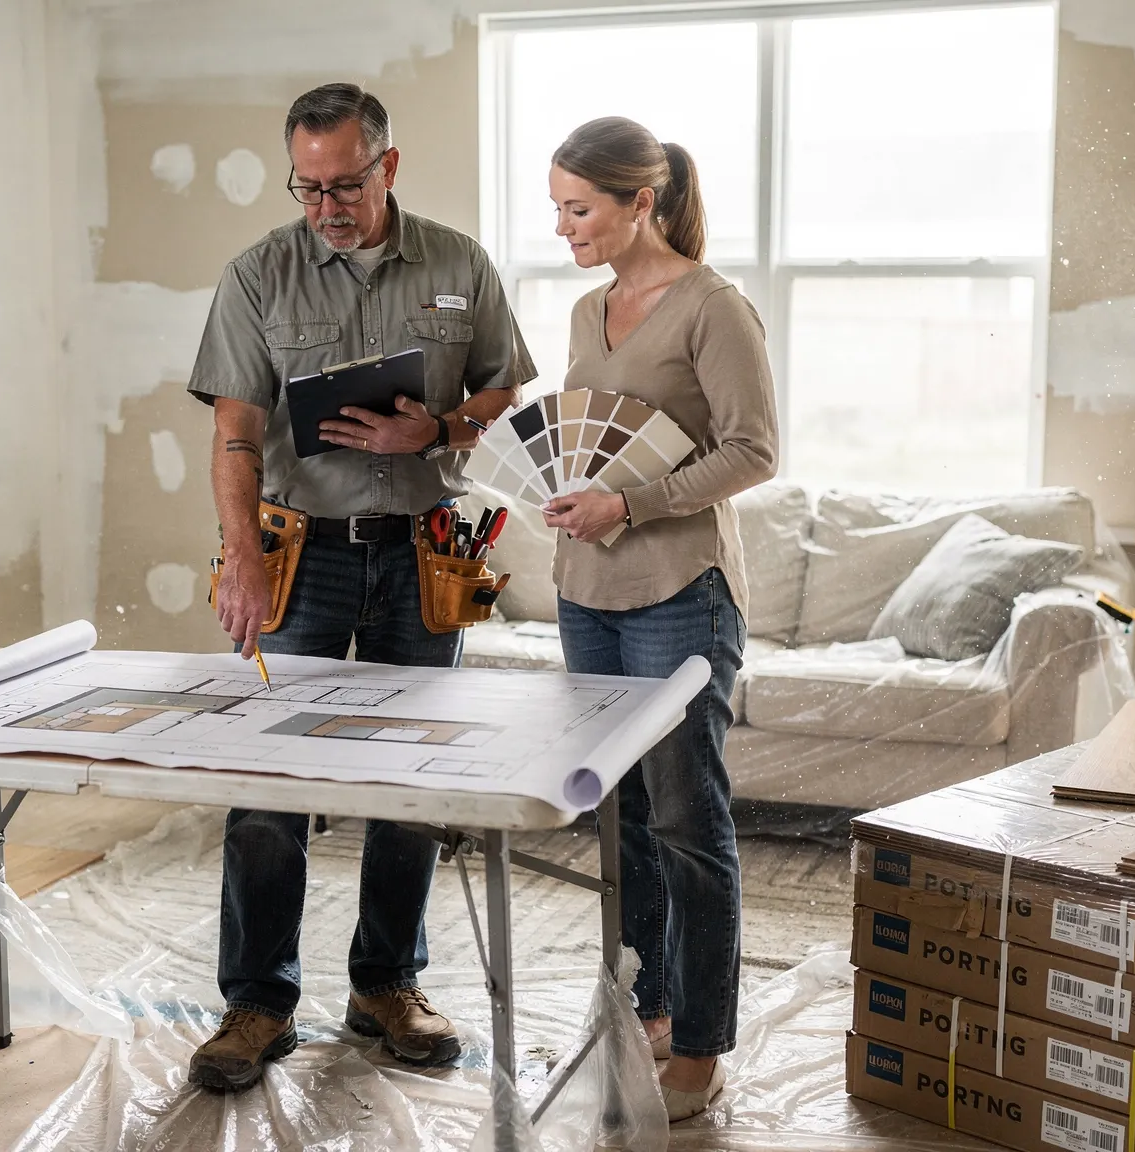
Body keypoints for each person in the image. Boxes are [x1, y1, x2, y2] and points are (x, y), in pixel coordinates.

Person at [184, 82, 534, 1092]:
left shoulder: (459, 263)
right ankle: (255, 1003)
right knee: (263, 783)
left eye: (344, 183)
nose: (325, 205)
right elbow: (234, 433)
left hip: (425, 555)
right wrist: (242, 555)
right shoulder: (258, 275)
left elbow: (505, 388)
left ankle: (386, 985)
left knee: (411, 785)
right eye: (307, 186)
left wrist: (441, 429)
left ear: (387, 164)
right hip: (301, 555)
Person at [539, 117, 777, 1122]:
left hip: (676, 596)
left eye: (579, 208)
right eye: (555, 210)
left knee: (686, 822)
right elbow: (591, 437)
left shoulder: (713, 309)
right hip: (582, 594)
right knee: (621, 821)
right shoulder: (587, 311)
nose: (563, 228)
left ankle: (701, 1048)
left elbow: (753, 451)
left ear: (642, 201)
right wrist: (564, 488)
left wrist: (628, 505)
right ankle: (651, 1004)